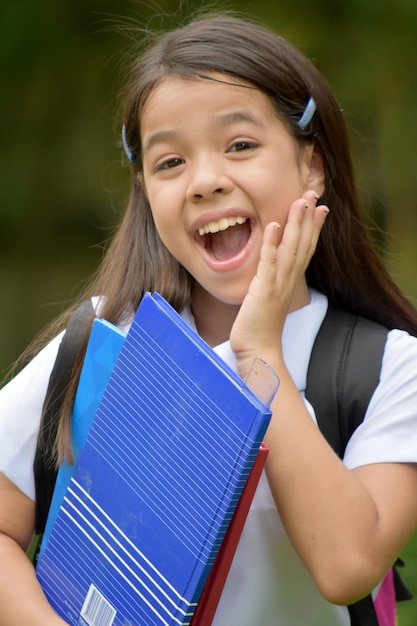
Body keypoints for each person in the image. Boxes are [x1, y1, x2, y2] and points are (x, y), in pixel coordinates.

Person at [1, 11, 417, 626]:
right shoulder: (106, 343)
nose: (204, 182)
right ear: (144, 190)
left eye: (240, 145)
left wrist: (259, 354)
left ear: (313, 165)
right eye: (169, 163)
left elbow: (347, 566)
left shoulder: (387, 367)